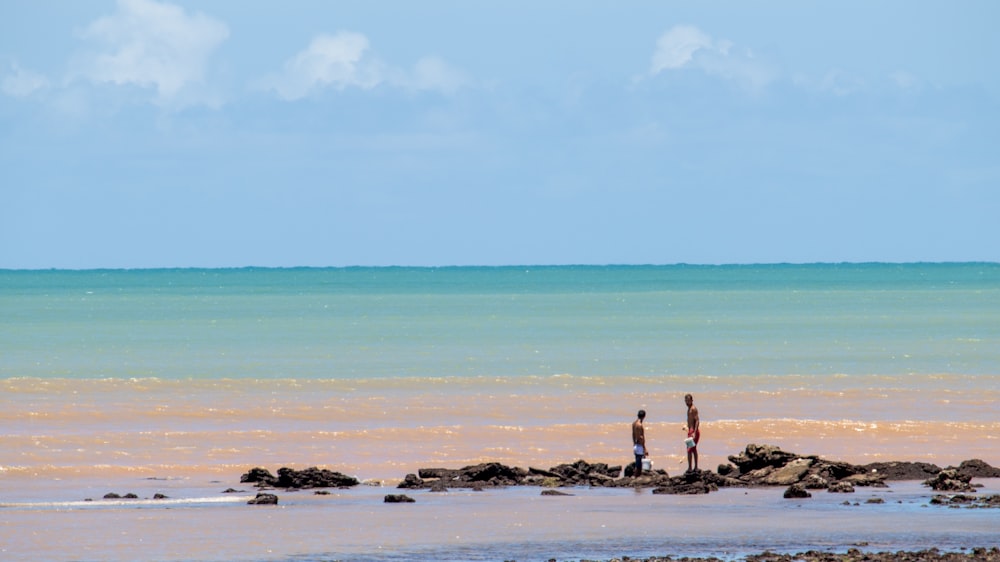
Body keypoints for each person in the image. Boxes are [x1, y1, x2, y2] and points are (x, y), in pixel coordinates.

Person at [684, 394, 700, 473]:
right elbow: (690, 421)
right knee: (692, 450)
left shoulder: (693, 409)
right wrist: (686, 426)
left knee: (690, 449)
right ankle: (692, 467)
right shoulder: (688, 409)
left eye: (688, 400)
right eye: (686, 401)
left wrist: (694, 432)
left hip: (694, 431)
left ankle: (693, 467)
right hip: (690, 431)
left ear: (692, 400)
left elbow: (697, 421)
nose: (687, 402)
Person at [632, 409, 647, 477]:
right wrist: (644, 448)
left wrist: (634, 444)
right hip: (639, 445)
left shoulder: (634, 423)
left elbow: (633, 434)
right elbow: (640, 437)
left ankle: (636, 478)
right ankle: (636, 479)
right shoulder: (639, 425)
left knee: (638, 462)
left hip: (636, 445)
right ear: (644, 416)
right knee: (639, 465)